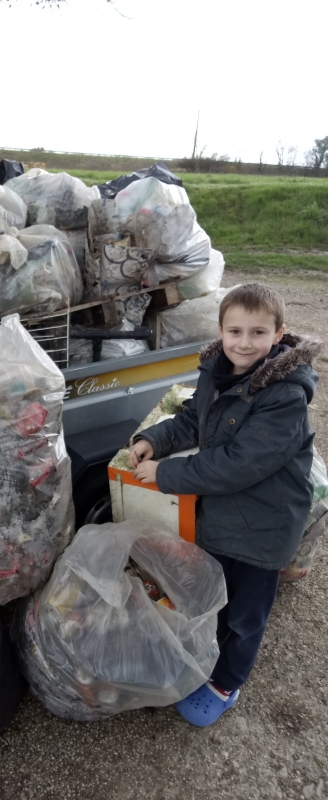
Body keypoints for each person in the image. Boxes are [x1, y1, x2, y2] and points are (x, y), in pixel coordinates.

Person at [129, 283, 322, 726]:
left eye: (258, 332)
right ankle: (208, 657)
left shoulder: (284, 396)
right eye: (235, 331)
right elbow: (196, 418)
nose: (245, 342)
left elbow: (238, 465)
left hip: (264, 529)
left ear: (279, 335)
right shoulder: (217, 371)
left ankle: (227, 682)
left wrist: (167, 476)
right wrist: (153, 441)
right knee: (215, 599)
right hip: (222, 519)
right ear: (221, 331)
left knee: (245, 615)